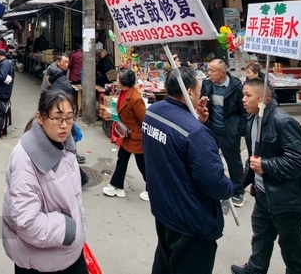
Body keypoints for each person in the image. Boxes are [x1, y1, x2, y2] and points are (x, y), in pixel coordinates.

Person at [143, 66, 233, 274]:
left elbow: (177, 149)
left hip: (164, 208)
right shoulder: (195, 133)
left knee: (165, 262)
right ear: (190, 92)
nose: (201, 94)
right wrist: (229, 186)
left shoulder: (153, 112)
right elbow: (214, 183)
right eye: (199, 89)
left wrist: (197, 120)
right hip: (190, 219)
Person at [230, 79, 301, 274]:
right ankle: (255, 270)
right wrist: (246, 183)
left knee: (291, 245)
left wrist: (266, 165)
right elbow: (254, 157)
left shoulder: (283, 121)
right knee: (261, 235)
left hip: (287, 198)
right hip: (264, 193)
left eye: (248, 95)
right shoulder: (252, 119)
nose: (243, 99)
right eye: (243, 95)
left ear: (263, 98)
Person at [2, 89, 87, 274]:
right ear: (40, 118)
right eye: (57, 118)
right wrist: (69, 229)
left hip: (66, 252)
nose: (64, 125)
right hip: (41, 261)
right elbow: (26, 222)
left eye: (69, 118)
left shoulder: (66, 146)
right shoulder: (24, 159)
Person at [201, 59, 248, 206]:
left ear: (223, 72)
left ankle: (238, 191)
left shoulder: (236, 87)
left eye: (212, 71)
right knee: (210, 159)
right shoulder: (207, 84)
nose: (209, 73)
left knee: (233, 162)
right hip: (211, 128)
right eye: (208, 70)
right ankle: (216, 187)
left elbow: (244, 112)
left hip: (229, 131)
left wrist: (239, 130)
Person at [102, 69, 148, 201]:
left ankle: (153, 188)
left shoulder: (135, 98)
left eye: (118, 79)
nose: (116, 81)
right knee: (122, 159)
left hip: (136, 137)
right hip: (127, 135)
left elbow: (143, 119)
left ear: (124, 82)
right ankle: (117, 186)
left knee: (142, 164)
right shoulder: (123, 92)